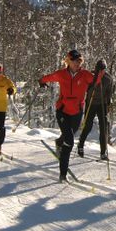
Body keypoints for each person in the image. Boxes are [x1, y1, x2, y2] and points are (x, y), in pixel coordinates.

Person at [39, 49, 95, 182]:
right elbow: (48, 77)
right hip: (62, 111)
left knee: (68, 135)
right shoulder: (61, 74)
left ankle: (59, 142)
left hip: (77, 111)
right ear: (68, 61)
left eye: (79, 61)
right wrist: (41, 81)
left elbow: (98, 80)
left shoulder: (85, 75)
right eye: (75, 61)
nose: (77, 63)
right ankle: (63, 174)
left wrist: (101, 69)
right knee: (69, 141)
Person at [77, 59, 114, 160]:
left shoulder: (108, 79)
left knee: (104, 127)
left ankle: (103, 152)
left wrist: (108, 104)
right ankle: (80, 145)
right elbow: (83, 87)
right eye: (99, 70)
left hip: (102, 104)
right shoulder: (91, 76)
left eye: (103, 70)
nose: (101, 72)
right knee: (88, 126)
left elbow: (109, 93)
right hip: (91, 103)